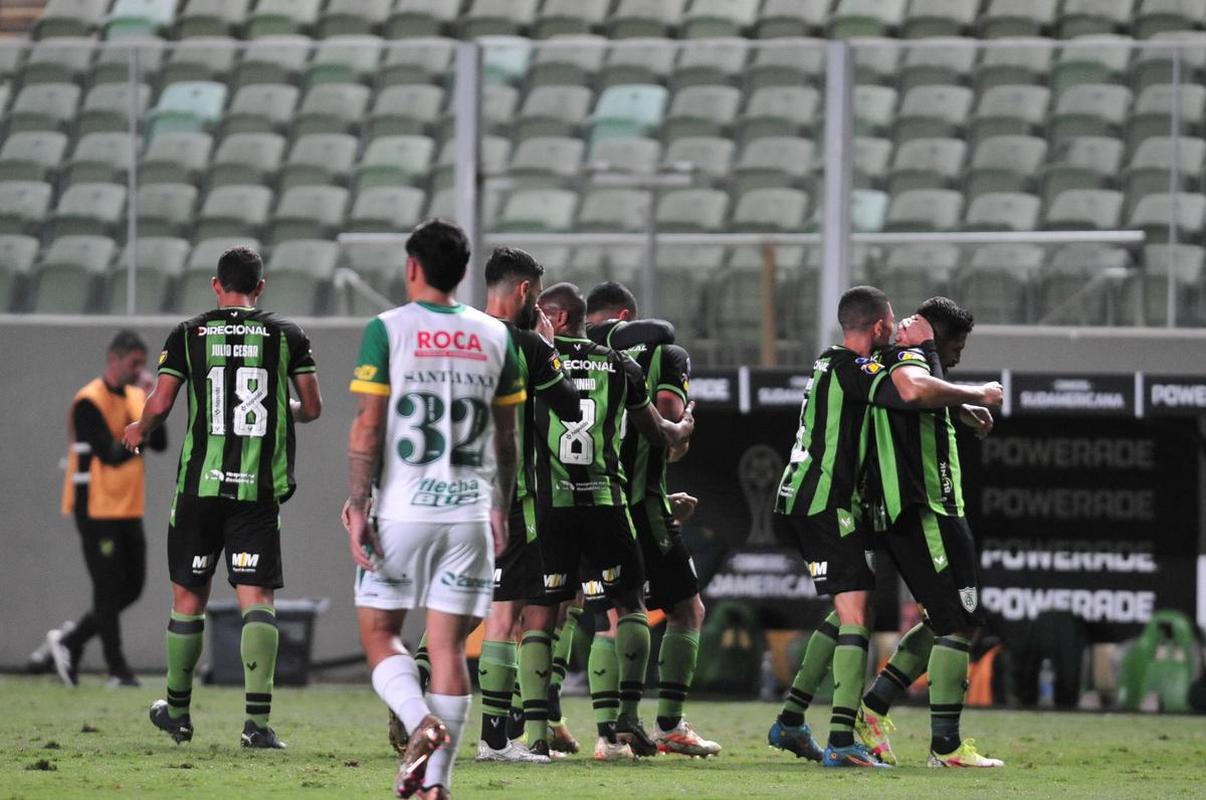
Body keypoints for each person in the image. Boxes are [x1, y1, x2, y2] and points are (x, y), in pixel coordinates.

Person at [767, 286, 1002, 768]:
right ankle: (854, 738)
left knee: (851, 611)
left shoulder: (840, 365)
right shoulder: (854, 366)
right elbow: (911, 387)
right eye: (889, 324)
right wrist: (964, 383)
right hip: (836, 502)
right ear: (876, 327)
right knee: (914, 620)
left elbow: (905, 393)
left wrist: (953, 404)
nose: (894, 330)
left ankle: (796, 719)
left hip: (834, 502)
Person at [343, 220, 525, 800]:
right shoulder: (496, 336)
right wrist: (500, 506)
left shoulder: (388, 329)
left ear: (412, 268)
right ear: (465, 273)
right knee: (447, 645)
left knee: (379, 631)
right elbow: (507, 438)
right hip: (470, 512)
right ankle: (435, 786)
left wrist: (357, 501)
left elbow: (369, 426)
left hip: (404, 509)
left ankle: (420, 721)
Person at [122, 246, 323, 750]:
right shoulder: (287, 335)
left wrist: (138, 428)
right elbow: (313, 407)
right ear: (261, 286)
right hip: (255, 491)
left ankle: (179, 713)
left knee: (188, 597)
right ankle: (256, 725)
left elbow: (162, 404)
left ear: (216, 285)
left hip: (199, 488)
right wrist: (284, 408)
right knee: (256, 599)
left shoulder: (189, 334)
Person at [521, 282, 695, 761]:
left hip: (548, 503)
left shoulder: (534, 363)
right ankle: (625, 723)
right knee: (624, 607)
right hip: (603, 499)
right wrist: (685, 427)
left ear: (555, 319)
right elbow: (657, 431)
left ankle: (534, 737)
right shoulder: (620, 365)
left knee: (542, 614)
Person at [853, 297, 1004, 768]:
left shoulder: (903, 360)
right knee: (960, 623)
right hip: (925, 506)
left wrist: (956, 406)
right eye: (956, 345)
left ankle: (873, 709)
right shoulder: (908, 356)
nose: (958, 356)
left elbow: (917, 400)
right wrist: (975, 392)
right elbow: (915, 391)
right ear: (939, 337)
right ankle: (946, 746)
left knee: (946, 619)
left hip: (924, 506)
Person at [583, 281, 720, 758]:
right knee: (687, 609)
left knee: (607, 616)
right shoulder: (667, 354)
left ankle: (605, 737)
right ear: (626, 314)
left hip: (588, 498)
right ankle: (668, 724)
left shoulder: (578, 354)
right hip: (642, 500)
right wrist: (685, 432)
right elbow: (666, 421)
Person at [466, 247, 582, 764]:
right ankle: (494, 738)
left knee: (451, 609)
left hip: (444, 492)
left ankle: (418, 706)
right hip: (507, 496)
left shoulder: (452, 336)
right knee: (503, 615)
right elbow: (571, 405)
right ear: (523, 292)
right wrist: (548, 347)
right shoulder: (527, 345)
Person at [47, 329, 166, 687]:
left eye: (142, 365)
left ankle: (71, 640)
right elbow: (108, 454)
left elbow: (158, 441)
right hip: (96, 507)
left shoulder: (135, 396)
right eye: (134, 364)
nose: (138, 371)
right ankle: (117, 669)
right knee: (107, 586)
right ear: (114, 359)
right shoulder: (89, 401)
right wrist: (135, 440)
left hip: (128, 506)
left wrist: (151, 400)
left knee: (133, 586)